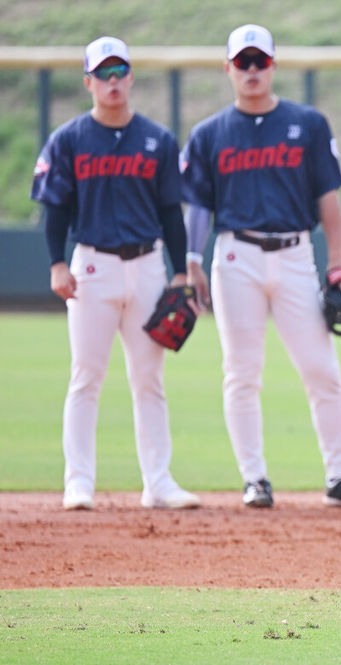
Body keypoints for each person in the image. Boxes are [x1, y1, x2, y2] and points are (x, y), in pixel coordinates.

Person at [179, 24, 341, 509]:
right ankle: (255, 479)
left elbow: (327, 196)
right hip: (236, 257)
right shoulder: (208, 134)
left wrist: (337, 260)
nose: (251, 70)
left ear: (272, 65)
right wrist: (191, 259)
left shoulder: (307, 124)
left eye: (260, 61)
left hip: (294, 255)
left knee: (321, 369)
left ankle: (340, 477)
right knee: (242, 371)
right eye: (242, 62)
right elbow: (199, 205)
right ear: (228, 68)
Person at [30, 36, 200, 511]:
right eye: (103, 73)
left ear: (130, 77)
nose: (112, 81)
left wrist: (180, 274)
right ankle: (78, 482)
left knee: (149, 378)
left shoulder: (157, 140)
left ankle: (158, 482)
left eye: (119, 71)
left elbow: (171, 213)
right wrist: (56, 263)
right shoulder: (69, 139)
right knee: (86, 376)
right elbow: (55, 209)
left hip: (147, 265)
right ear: (88, 82)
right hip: (92, 265)